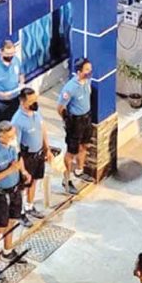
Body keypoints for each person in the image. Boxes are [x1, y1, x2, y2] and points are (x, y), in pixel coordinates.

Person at [0, 121, 30, 278]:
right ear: (0, 134)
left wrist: (23, 172)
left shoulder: (12, 142)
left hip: (15, 190)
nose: (12, 138)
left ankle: (8, 251)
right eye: (9, 136)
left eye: (13, 135)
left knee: (12, 221)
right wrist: (9, 170)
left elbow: (18, 158)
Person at [12, 88, 54, 227]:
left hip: (38, 154)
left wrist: (47, 149)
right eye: (31, 101)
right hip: (26, 157)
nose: (35, 103)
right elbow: (16, 147)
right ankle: (20, 213)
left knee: (34, 182)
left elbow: (42, 130)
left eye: (35, 100)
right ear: (23, 102)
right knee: (23, 186)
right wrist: (22, 169)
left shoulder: (36, 113)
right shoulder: (17, 121)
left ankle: (29, 207)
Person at [57, 58, 94, 195]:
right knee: (71, 151)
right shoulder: (70, 88)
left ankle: (79, 170)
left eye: (90, 69)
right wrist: (67, 121)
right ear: (79, 72)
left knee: (84, 145)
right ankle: (66, 179)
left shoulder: (87, 82)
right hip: (75, 121)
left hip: (87, 118)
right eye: (87, 70)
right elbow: (60, 107)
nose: (90, 72)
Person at [0, 40, 24, 130]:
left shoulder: (16, 60)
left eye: (12, 54)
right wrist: (1, 95)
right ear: (1, 51)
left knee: (15, 124)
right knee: (1, 127)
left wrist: (21, 84)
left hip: (15, 99)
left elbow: (21, 74)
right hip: (0, 103)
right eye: (7, 54)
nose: (10, 56)